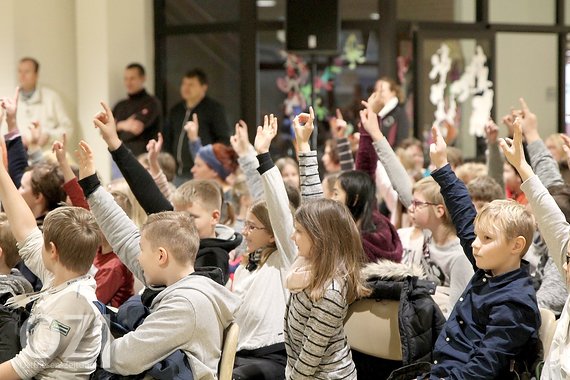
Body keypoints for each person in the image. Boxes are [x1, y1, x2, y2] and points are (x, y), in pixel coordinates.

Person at [76, 138, 241, 379]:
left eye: (143, 250)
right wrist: (91, 185)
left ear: (161, 256)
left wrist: (79, 338)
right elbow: (124, 237)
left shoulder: (184, 305)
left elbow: (121, 358)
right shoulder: (179, 281)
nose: (138, 259)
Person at [424, 122, 540, 378]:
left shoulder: (514, 304)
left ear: (516, 246)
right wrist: (442, 165)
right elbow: (465, 217)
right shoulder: (490, 267)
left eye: (487, 238)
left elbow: (481, 371)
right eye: (478, 236)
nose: (475, 243)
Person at [0, 145, 102, 378]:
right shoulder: (63, 273)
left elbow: (26, 365)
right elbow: (25, 231)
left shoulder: (74, 302)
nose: (38, 239)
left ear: (53, 250)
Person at [285, 199, 370, 379]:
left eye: (299, 231)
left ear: (320, 237)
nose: (293, 237)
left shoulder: (331, 291)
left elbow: (310, 357)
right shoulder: (305, 269)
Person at [163, 68, 231, 185]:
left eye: (191, 84)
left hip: (202, 173)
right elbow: (168, 138)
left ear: (203, 87)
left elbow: (223, 139)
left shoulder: (213, 109)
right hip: (177, 174)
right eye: (184, 84)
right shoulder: (176, 110)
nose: (186, 88)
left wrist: (211, 163)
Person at [15, 57, 72, 149]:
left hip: (47, 157)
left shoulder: (51, 97)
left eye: (27, 71)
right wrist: (17, 140)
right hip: (20, 157)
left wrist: (49, 136)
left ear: (36, 75)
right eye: (20, 71)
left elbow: (68, 129)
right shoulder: (11, 101)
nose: (22, 75)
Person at [113, 63, 162, 156]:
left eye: (132, 78)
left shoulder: (151, 103)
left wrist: (116, 126)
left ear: (142, 78)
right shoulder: (120, 105)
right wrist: (123, 125)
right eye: (126, 79)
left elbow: (136, 128)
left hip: (142, 157)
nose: (128, 82)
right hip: (119, 156)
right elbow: (104, 130)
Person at [373, 77, 410, 148]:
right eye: (375, 90)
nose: (378, 94)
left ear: (393, 93)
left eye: (382, 91)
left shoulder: (399, 112)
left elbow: (402, 140)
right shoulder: (373, 113)